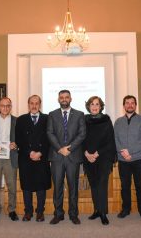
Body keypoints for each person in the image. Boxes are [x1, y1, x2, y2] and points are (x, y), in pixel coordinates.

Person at [47, 90, 86, 225]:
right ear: (58, 99)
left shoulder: (80, 115)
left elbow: (82, 134)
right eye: (61, 97)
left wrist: (69, 148)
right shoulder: (52, 115)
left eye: (66, 97)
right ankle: (58, 214)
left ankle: (73, 214)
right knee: (57, 187)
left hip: (72, 156)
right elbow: (49, 133)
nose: (64, 99)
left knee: (73, 187)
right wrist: (59, 148)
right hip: (57, 156)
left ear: (71, 99)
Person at [15, 95, 51, 222]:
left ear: (40, 104)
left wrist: (40, 152)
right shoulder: (21, 120)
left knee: (41, 186)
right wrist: (30, 152)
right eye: (31, 103)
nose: (34, 105)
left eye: (36, 103)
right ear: (28, 104)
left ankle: (40, 212)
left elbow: (50, 139)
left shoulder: (48, 119)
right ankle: (28, 212)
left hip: (42, 157)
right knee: (27, 187)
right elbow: (18, 139)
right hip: (26, 157)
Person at [114, 95, 141, 222]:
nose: (130, 105)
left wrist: (130, 152)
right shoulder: (118, 122)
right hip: (123, 160)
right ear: (124, 106)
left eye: (132, 103)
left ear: (135, 105)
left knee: (140, 186)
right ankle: (126, 209)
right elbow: (115, 140)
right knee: (125, 186)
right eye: (127, 103)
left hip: (139, 159)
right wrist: (123, 152)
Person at [83, 96, 116, 225]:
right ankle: (97, 210)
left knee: (102, 185)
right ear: (89, 106)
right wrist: (86, 153)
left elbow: (110, 141)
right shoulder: (84, 120)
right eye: (92, 104)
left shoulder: (106, 120)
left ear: (101, 106)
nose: (95, 106)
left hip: (103, 157)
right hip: (88, 158)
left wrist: (97, 153)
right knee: (94, 185)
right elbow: (80, 138)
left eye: (97, 104)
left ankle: (103, 212)